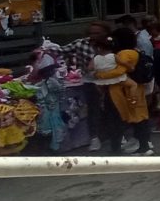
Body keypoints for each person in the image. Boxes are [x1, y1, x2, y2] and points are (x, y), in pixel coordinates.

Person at [55, 21, 112, 151]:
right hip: (90, 81)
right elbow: (62, 50)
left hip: (111, 80)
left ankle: (116, 134)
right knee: (94, 109)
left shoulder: (111, 43)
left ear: (105, 33)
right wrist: (45, 49)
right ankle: (94, 138)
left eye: (97, 33)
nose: (93, 35)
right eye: (91, 33)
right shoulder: (81, 43)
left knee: (112, 108)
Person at [95, 28, 153, 155]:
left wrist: (100, 75)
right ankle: (144, 147)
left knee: (117, 121)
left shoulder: (124, 54)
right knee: (140, 118)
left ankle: (117, 149)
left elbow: (120, 71)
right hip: (135, 90)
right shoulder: (133, 52)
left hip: (121, 93)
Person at [91, 40, 139, 105]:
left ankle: (101, 99)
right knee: (133, 85)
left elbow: (90, 68)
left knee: (101, 89)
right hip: (116, 78)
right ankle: (132, 99)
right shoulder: (113, 55)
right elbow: (123, 63)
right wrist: (131, 67)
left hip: (102, 80)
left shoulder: (95, 58)